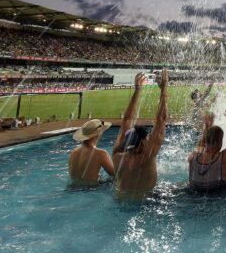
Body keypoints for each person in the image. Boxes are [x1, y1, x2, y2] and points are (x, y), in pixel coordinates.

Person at [112, 70, 169, 199]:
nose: (149, 139)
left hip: (120, 200)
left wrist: (137, 90)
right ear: (142, 142)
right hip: (146, 202)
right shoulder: (148, 156)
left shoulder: (116, 156)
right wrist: (164, 89)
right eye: (147, 138)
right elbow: (161, 119)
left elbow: (126, 121)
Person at [188, 108, 226, 193]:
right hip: (218, 194)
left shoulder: (193, 156)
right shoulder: (224, 157)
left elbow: (201, 144)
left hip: (194, 192)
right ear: (220, 142)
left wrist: (207, 126)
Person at [68, 119, 114, 185]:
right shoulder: (101, 154)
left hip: (71, 188)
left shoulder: (73, 152)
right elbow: (115, 175)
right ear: (98, 134)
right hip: (91, 188)